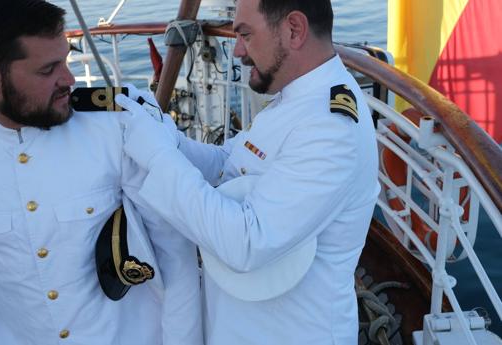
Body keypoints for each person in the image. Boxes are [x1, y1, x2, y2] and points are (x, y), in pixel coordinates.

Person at [0, 0, 201, 344]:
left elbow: (175, 255)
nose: (69, 79)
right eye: (47, 70)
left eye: (64, 59)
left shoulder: (113, 128)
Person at [113, 0, 380, 344]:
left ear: (294, 30)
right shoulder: (296, 98)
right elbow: (230, 164)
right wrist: (167, 137)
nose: (238, 50)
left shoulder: (331, 127)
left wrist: (159, 156)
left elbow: (248, 243)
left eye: (246, 34)